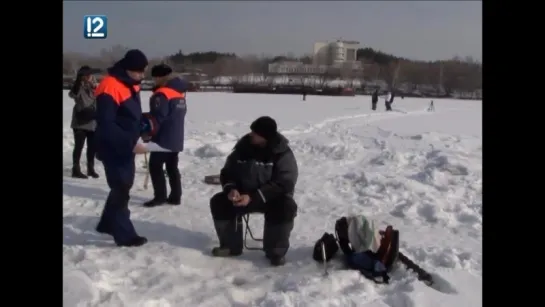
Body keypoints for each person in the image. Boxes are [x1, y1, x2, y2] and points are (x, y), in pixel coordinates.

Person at [210, 116, 298, 266]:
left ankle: (275, 251)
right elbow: (227, 172)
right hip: (241, 197)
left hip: (271, 198)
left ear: (265, 136)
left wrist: (254, 196)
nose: (251, 134)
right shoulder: (242, 148)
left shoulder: (281, 152)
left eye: (255, 132)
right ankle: (230, 246)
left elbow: (285, 183)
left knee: (286, 207)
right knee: (219, 202)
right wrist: (231, 189)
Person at [94, 49, 149, 247]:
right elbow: (106, 124)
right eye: (139, 71)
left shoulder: (130, 84)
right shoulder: (110, 86)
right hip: (113, 146)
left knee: (122, 186)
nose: (142, 75)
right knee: (120, 188)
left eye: (143, 71)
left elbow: (128, 115)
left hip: (127, 145)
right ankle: (125, 234)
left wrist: (143, 126)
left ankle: (107, 224)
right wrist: (130, 142)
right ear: (127, 69)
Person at [141, 64, 188, 207]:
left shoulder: (162, 94)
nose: (154, 80)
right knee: (172, 167)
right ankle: (175, 196)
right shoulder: (179, 93)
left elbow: (157, 117)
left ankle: (160, 197)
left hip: (163, 138)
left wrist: (146, 129)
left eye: (155, 77)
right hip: (176, 137)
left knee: (155, 166)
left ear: (160, 77)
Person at [69, 66, 99, 179]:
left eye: (89, 75)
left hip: (92, 120)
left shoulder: (95, 86)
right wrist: (78, 81)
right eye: (86, 75)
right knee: (79, 146)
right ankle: (75, 169)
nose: (88, 77)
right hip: (80, 121)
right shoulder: (78, 86)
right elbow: (72, 94)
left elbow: (99, 97)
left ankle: (90, 168)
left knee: (92, 146)